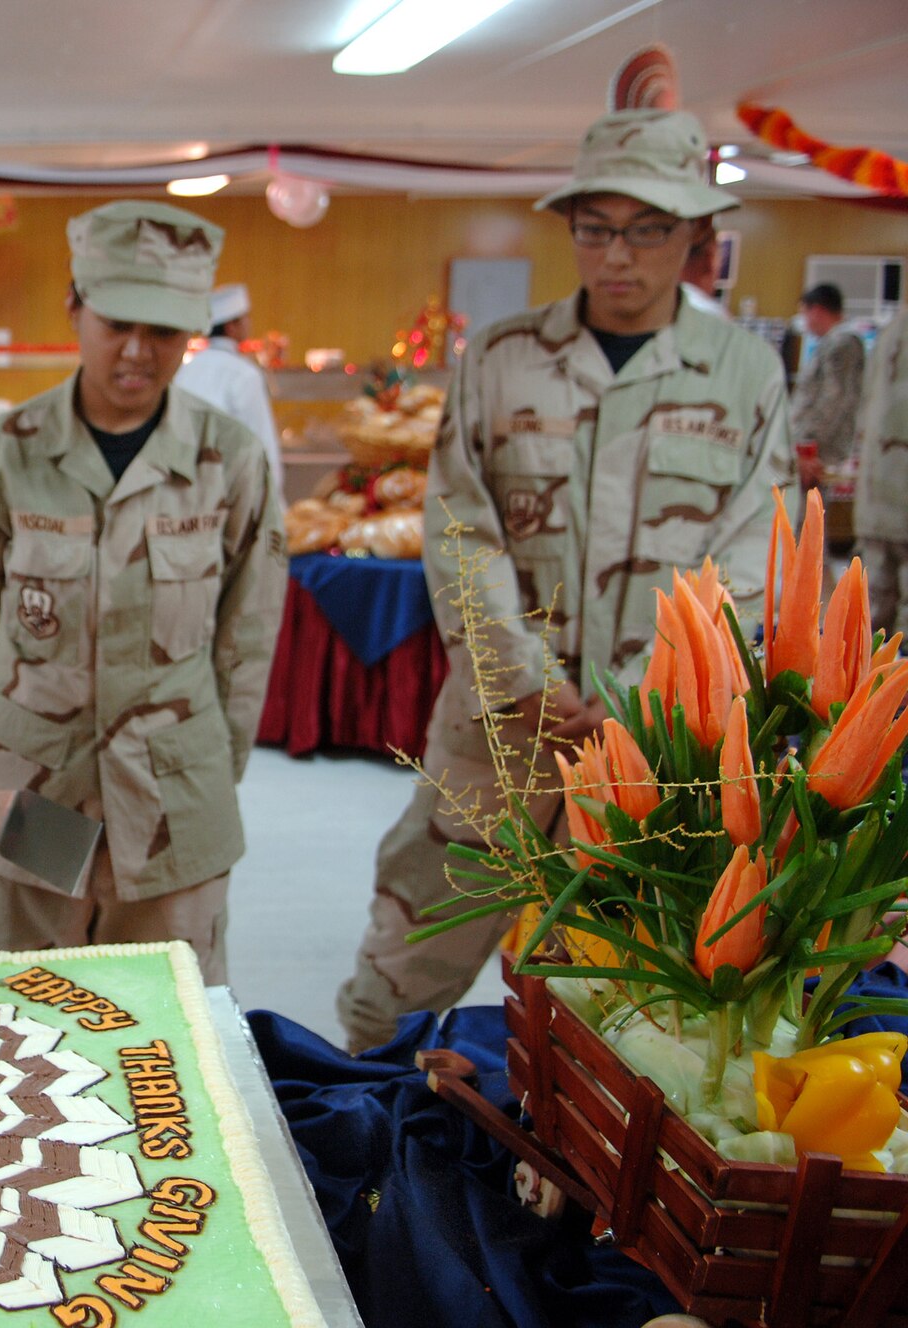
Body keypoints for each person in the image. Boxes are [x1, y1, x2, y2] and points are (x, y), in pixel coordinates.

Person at [335, 108, 793, 1052]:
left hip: (654, 754)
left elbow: (752, 556)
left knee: (625, 1010)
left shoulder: (744, 373)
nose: (618, 255)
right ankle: (353, 1163)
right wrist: (523, 677)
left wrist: (640, 695)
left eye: (649, 229)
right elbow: (460, 527)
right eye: (596, 228)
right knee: (396, 987)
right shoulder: (502, 361)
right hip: (499, 739)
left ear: (697, 238)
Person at [0, 201, 287, 985]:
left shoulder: (229, 458)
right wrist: (17, 728)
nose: (137, 352)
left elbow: (246, 635)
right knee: (13, 1031)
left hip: (175, 807)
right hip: (23, 796)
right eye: (116, 322)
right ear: (75, 307)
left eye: (164, 331)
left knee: (166, 1044)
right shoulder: (7, 450)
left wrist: (202, 769)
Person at [173, 283, 283, 485]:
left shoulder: (185, 369)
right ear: (232, 326)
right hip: (233, 488)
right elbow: (262, 442)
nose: (250, 323)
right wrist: (272, 491)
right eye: (245, 318)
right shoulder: (244, 374)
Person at [854, 311, 908, 634]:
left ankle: (869, 682)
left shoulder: (890, 330)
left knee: (873, 610)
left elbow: (863, 413)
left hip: (876, 491)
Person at [792, 283, 866, 489]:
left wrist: (808, 445)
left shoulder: (842, 344)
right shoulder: (830, 343)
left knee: (811, 516)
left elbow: (833, 400)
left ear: (816, 311)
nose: (804, 322)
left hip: (820, 454)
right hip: (814, 450)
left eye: (804, 313)